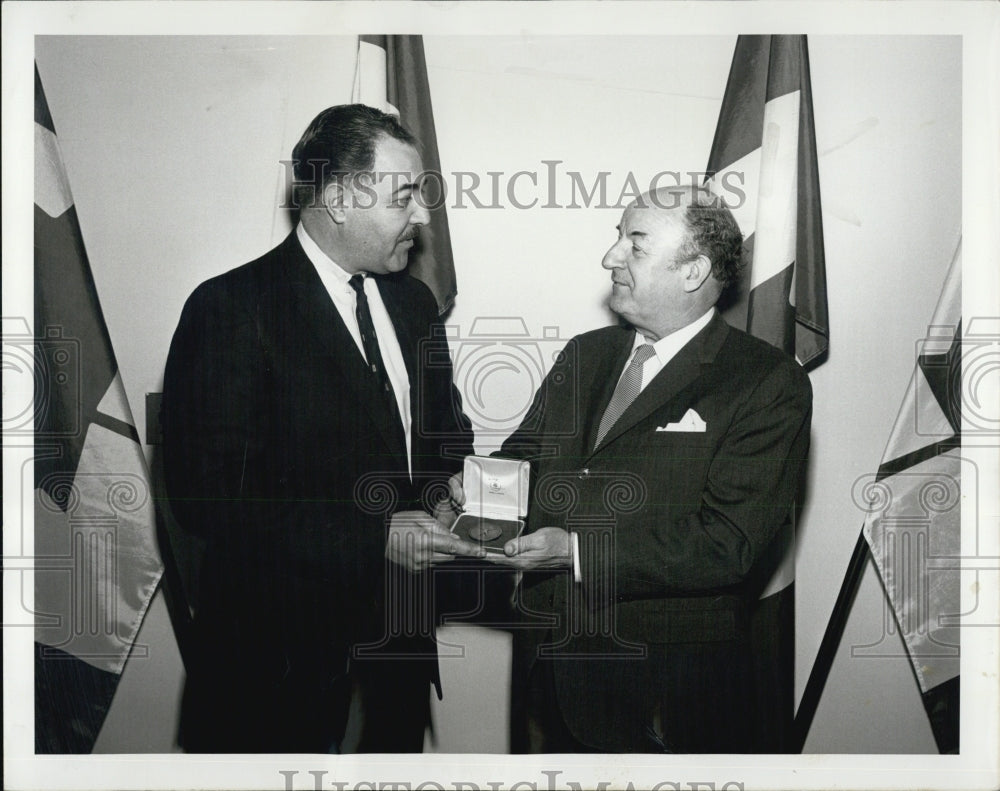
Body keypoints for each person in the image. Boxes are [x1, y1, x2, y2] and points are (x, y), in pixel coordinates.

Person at [161, 104, 481, 753]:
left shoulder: (414, 301)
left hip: (397, 655)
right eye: (403, 196)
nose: (422, 215)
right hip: (274, 673)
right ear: (338, 199)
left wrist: (451, 489)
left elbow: (444, 436)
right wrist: (375, 537)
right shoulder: (231, 308)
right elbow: (207, 497)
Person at [452, 185, 812, 753]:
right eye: (617, 238)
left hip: (660, 690)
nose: (610, 257)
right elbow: (524, 457)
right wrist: (474, 490)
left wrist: (576, 552)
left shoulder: (765, 381)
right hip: (545, 664)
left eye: (635, 245)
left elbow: (729, 543)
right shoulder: (585, 353)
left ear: (693, 271)